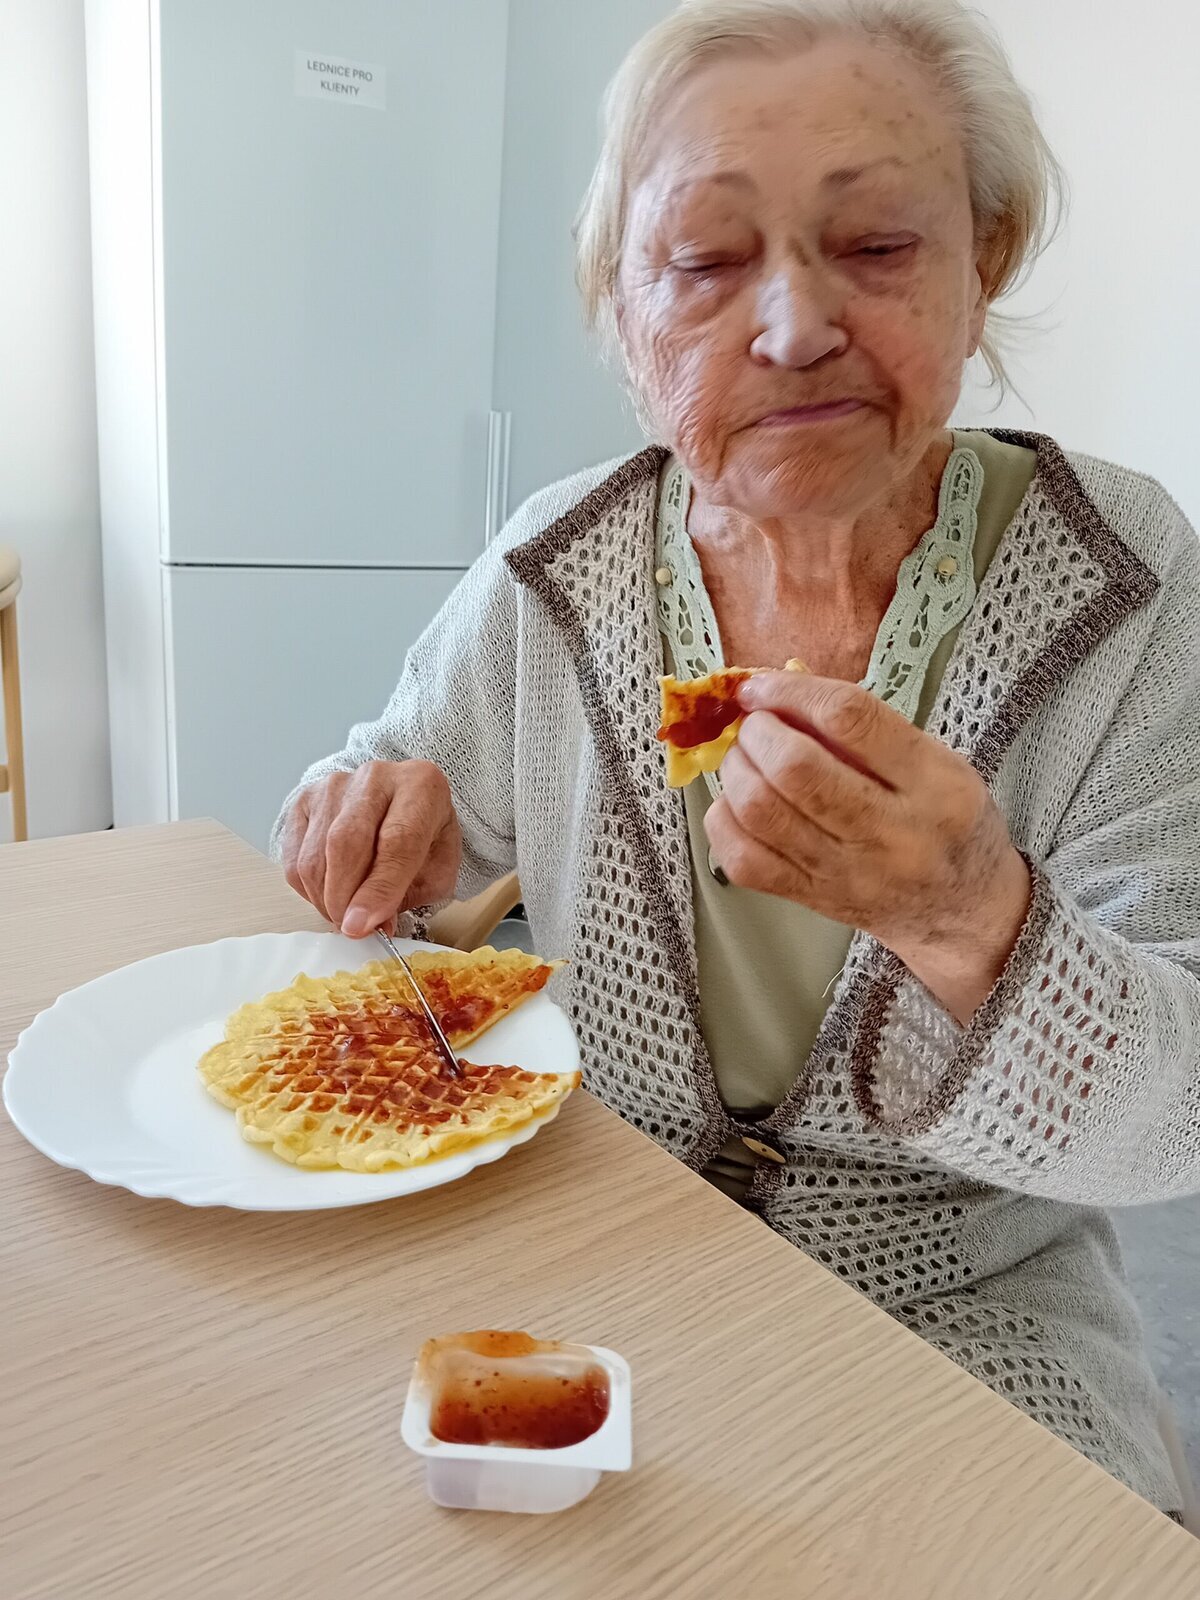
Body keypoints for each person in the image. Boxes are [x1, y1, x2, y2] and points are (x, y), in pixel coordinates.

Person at [273, 0, 1200, 1516]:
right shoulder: (555, 568)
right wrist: (374, 823)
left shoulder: (1122, 580)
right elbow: (395, 797)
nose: (790, 328)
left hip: (970, 1316)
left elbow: (1181, 1121)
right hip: (591, 1253)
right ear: (623, 314)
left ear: (985, 263)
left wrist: (974, 917)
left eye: (878, 245)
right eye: (706, 261)